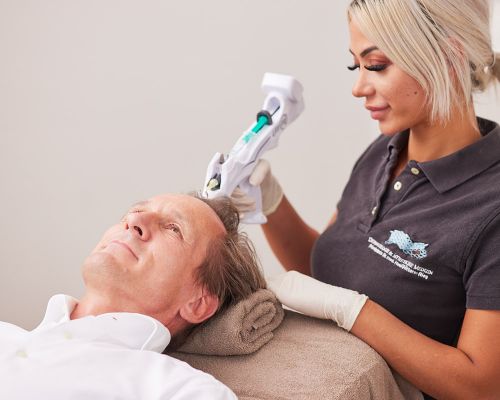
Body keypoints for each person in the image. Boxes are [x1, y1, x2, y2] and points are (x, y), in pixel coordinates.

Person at [234, 1, 500, 399]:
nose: (358, 87)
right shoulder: (384, 151)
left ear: (449, 56)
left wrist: (353, 311)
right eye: (354, 66)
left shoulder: (491, 207)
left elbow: (482, 386)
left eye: (376, 66)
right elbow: (327, 273)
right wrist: (270, 204)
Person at [0, 193, 266, 400]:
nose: (134, 222)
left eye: (173, 228)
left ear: (197, 303)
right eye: (136, 211)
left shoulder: (177, 389)